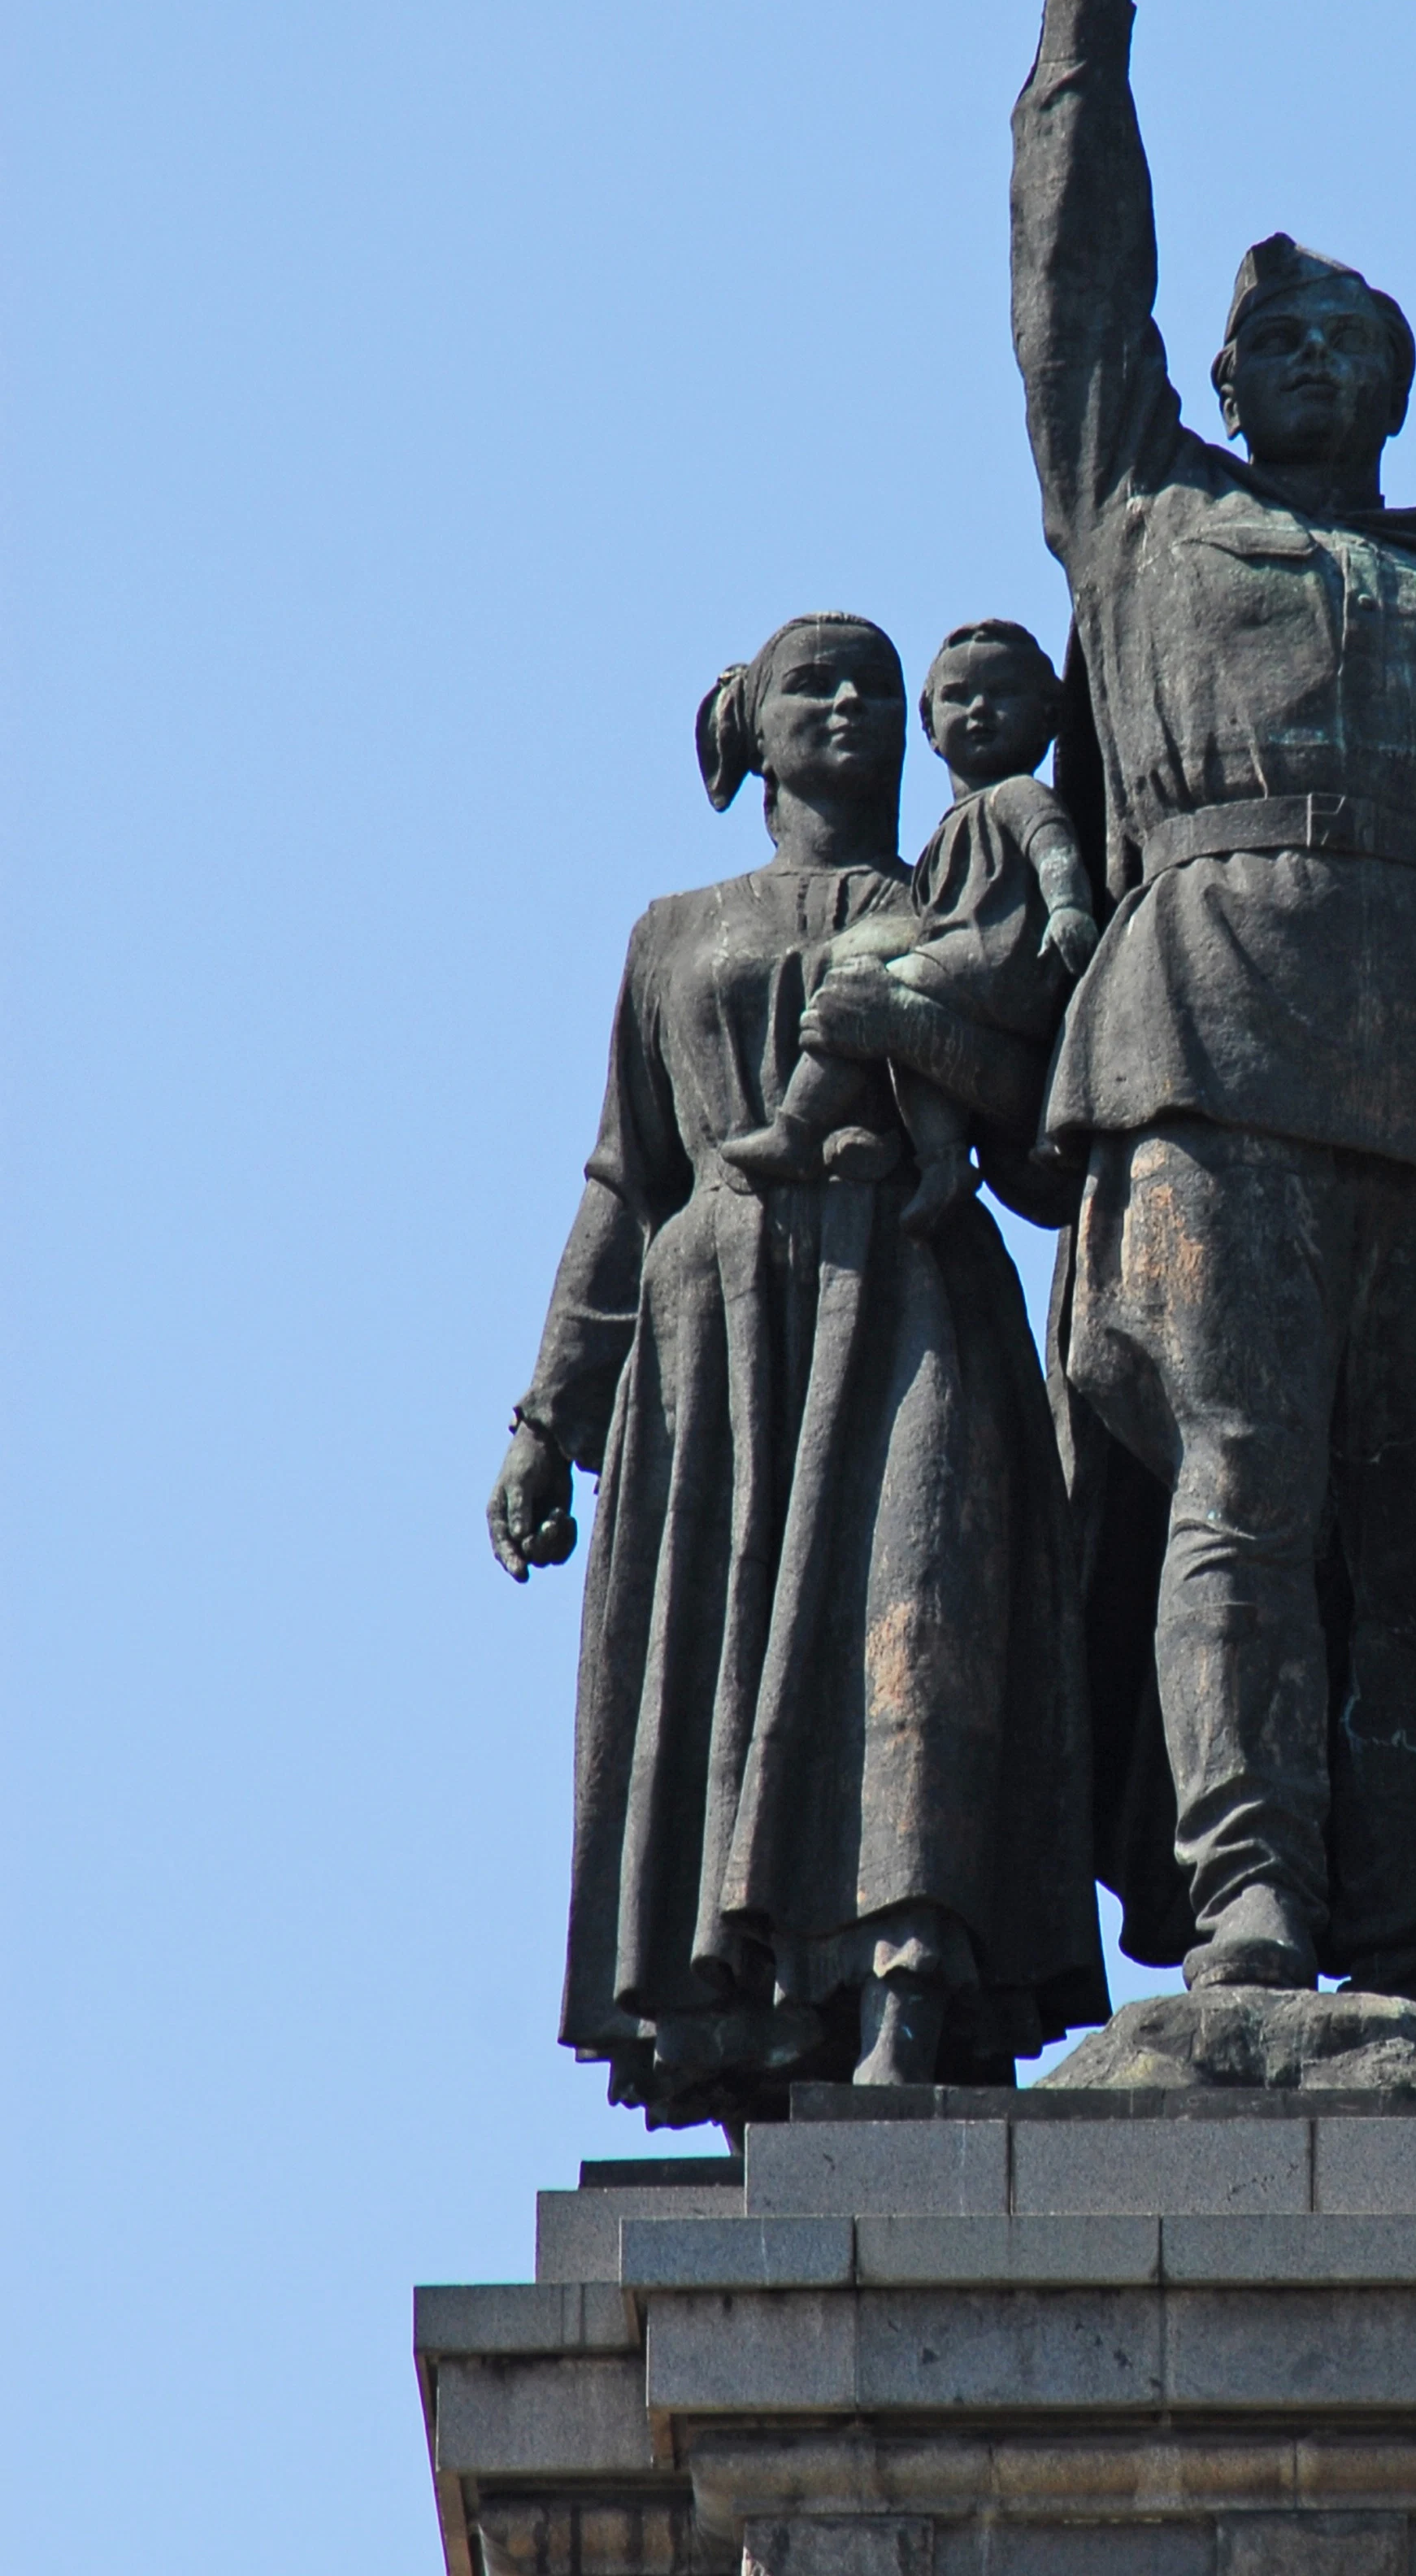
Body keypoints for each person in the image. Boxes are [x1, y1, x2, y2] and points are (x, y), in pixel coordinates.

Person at [844, 0, 1416, 2012]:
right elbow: (1069, 275)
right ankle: (1249, 1894)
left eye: (1329, 337)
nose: (1284, 356)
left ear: (1391, 380)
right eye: (1257, 338)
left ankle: (1408, 1949)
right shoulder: (1146, 513)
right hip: (1206, 1038)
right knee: (1240, 1496)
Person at [484, 611, 1106, 2124]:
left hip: (913, 1285)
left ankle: (908, 1992)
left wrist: (917, 1023)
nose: (848, 702)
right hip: (718, 1324)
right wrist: (543, 1423)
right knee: (731, 1648)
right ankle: (742, 2017)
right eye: (811, 681)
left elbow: (1043, 1133)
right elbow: (624, 1185)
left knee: (923, 1618)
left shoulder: (960, 888)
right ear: (749, 727)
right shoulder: (673, 933)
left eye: (876, 685)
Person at [721, 618, 1099, 1234]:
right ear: (930, 726)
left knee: (854, 995)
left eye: (1001, 695)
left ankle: (796, 1130)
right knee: (899, 1045)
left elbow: (1052, 848)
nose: (979, 711)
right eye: (958, 697)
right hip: (964, 960)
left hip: (988, 957)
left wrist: (1067, 908)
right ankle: (944, 1161)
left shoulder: (1018, 799)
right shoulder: (950, 837)